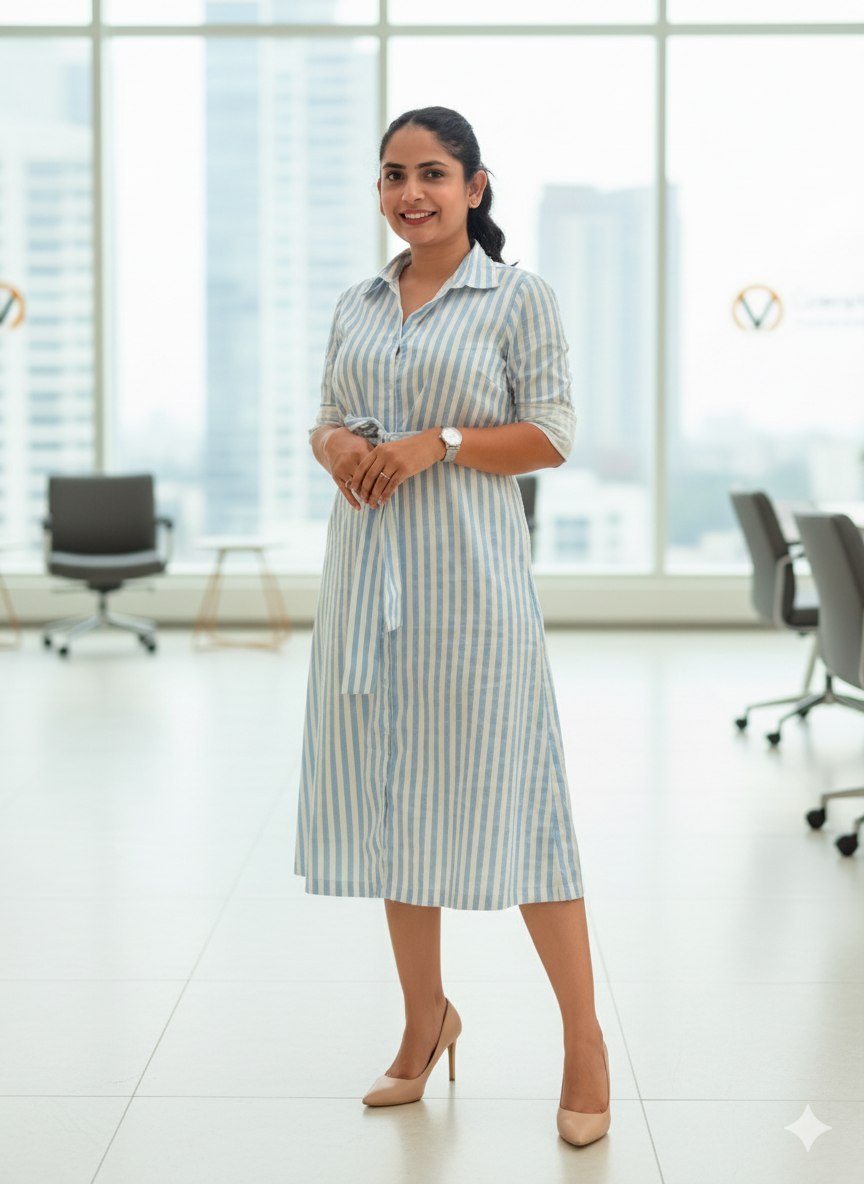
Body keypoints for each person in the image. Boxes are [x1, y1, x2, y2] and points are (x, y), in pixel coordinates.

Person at [295, 106, 610, 1147]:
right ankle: (425, 1020)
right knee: (396, 813)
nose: (409, 192)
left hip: (475, 601)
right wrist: (335, 446)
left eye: (432, 172)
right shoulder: (359, 301)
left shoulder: (519, 300)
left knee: (525, 817)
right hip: (370, 592)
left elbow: (552, 435)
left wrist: (445, 440)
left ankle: (584, 1037)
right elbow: (328, 411)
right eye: (393, 175)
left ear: (476, 186)